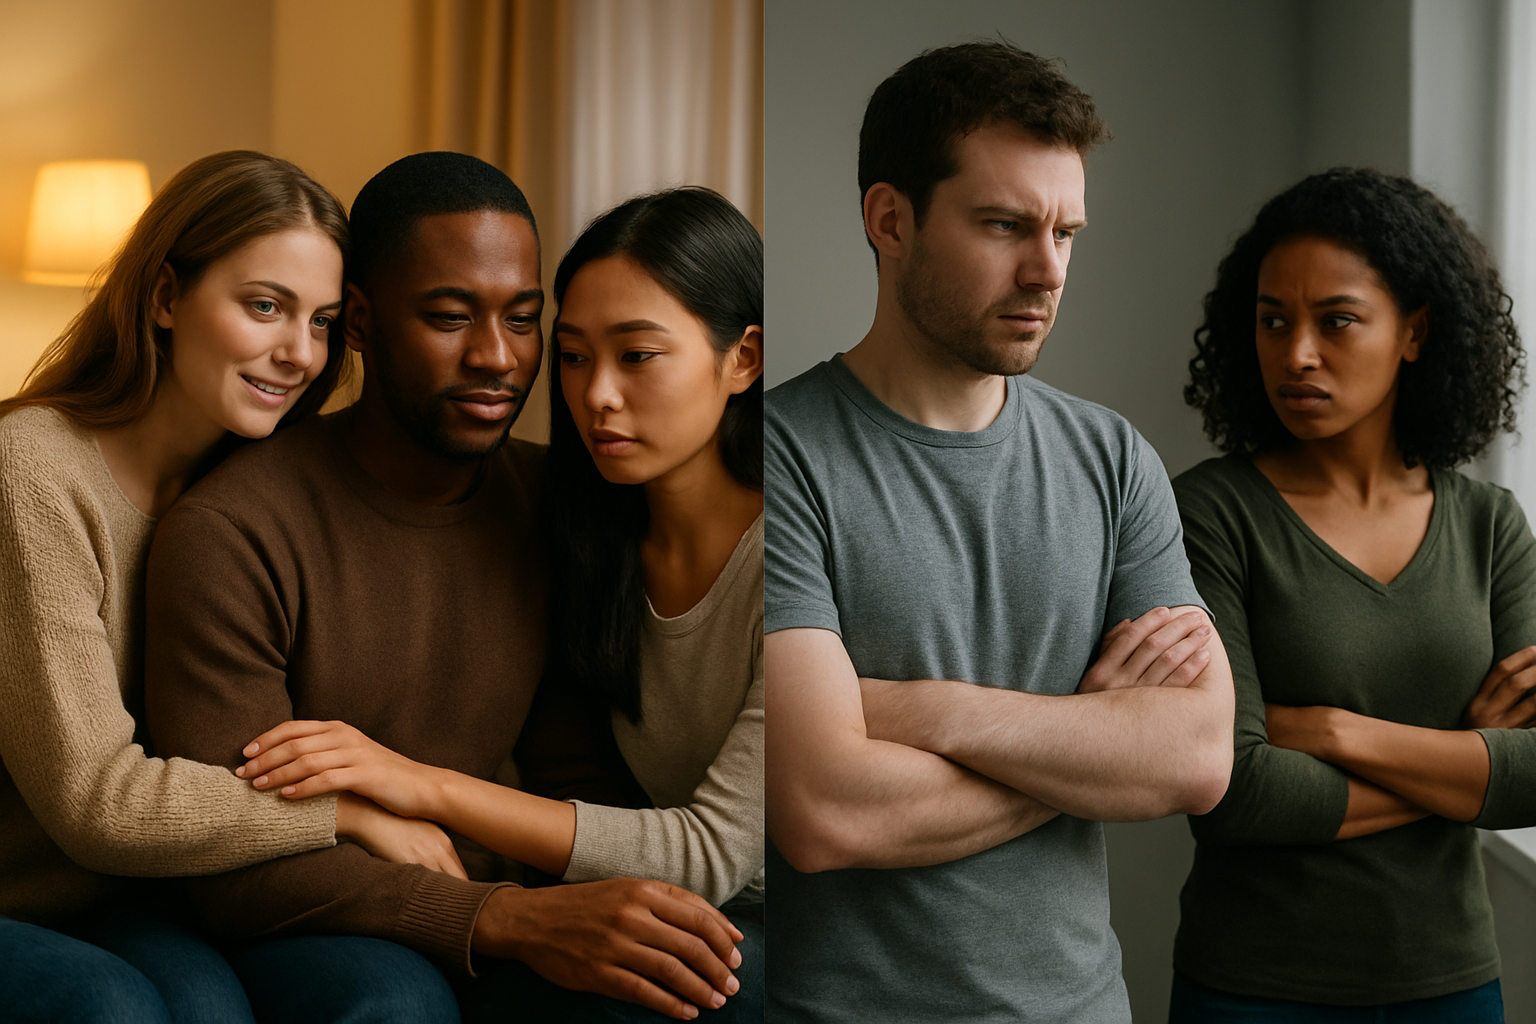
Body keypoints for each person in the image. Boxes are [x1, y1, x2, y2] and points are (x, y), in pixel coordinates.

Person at [142, 153, 747, 1024]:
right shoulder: (232, 532)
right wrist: (502, 918)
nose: (497, 358)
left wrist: (600, 913)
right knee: (393, 1005)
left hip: (508, 911)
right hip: (317, 920)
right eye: (448, 317)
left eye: (526, 319)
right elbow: (231, 855)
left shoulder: (557, 505)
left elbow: (579, 765)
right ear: (358, 321)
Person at [765, 41, 1235, 1023]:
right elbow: (822, 809)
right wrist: (1090, 741)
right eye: (1004, 225)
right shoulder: (775, 458)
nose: (1047, 269)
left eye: (1067, 232)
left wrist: (916, 710)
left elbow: (1194, 757)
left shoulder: (1114, 459)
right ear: (890, 221)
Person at [0, 150, 451, 1024]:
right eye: (264, 306)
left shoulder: (250, 488)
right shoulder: (33, 470)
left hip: (141, 894)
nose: (298, 354)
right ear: (166, 298)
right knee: (114, 1008)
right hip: (24, 888)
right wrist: (349, 811)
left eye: (321, 321)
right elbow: (98, 802)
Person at [1171, 168, 1534, 1021]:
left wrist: (1332, 730)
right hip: (1254, 988)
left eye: (1336, 321)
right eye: (1272, 320)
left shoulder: (1490, 525)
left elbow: (1534, 780)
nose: (1295, 353)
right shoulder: (1209, 515)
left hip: (1449, 982)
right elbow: (1236, 795)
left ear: (1415, 332)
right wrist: (1463, 762)